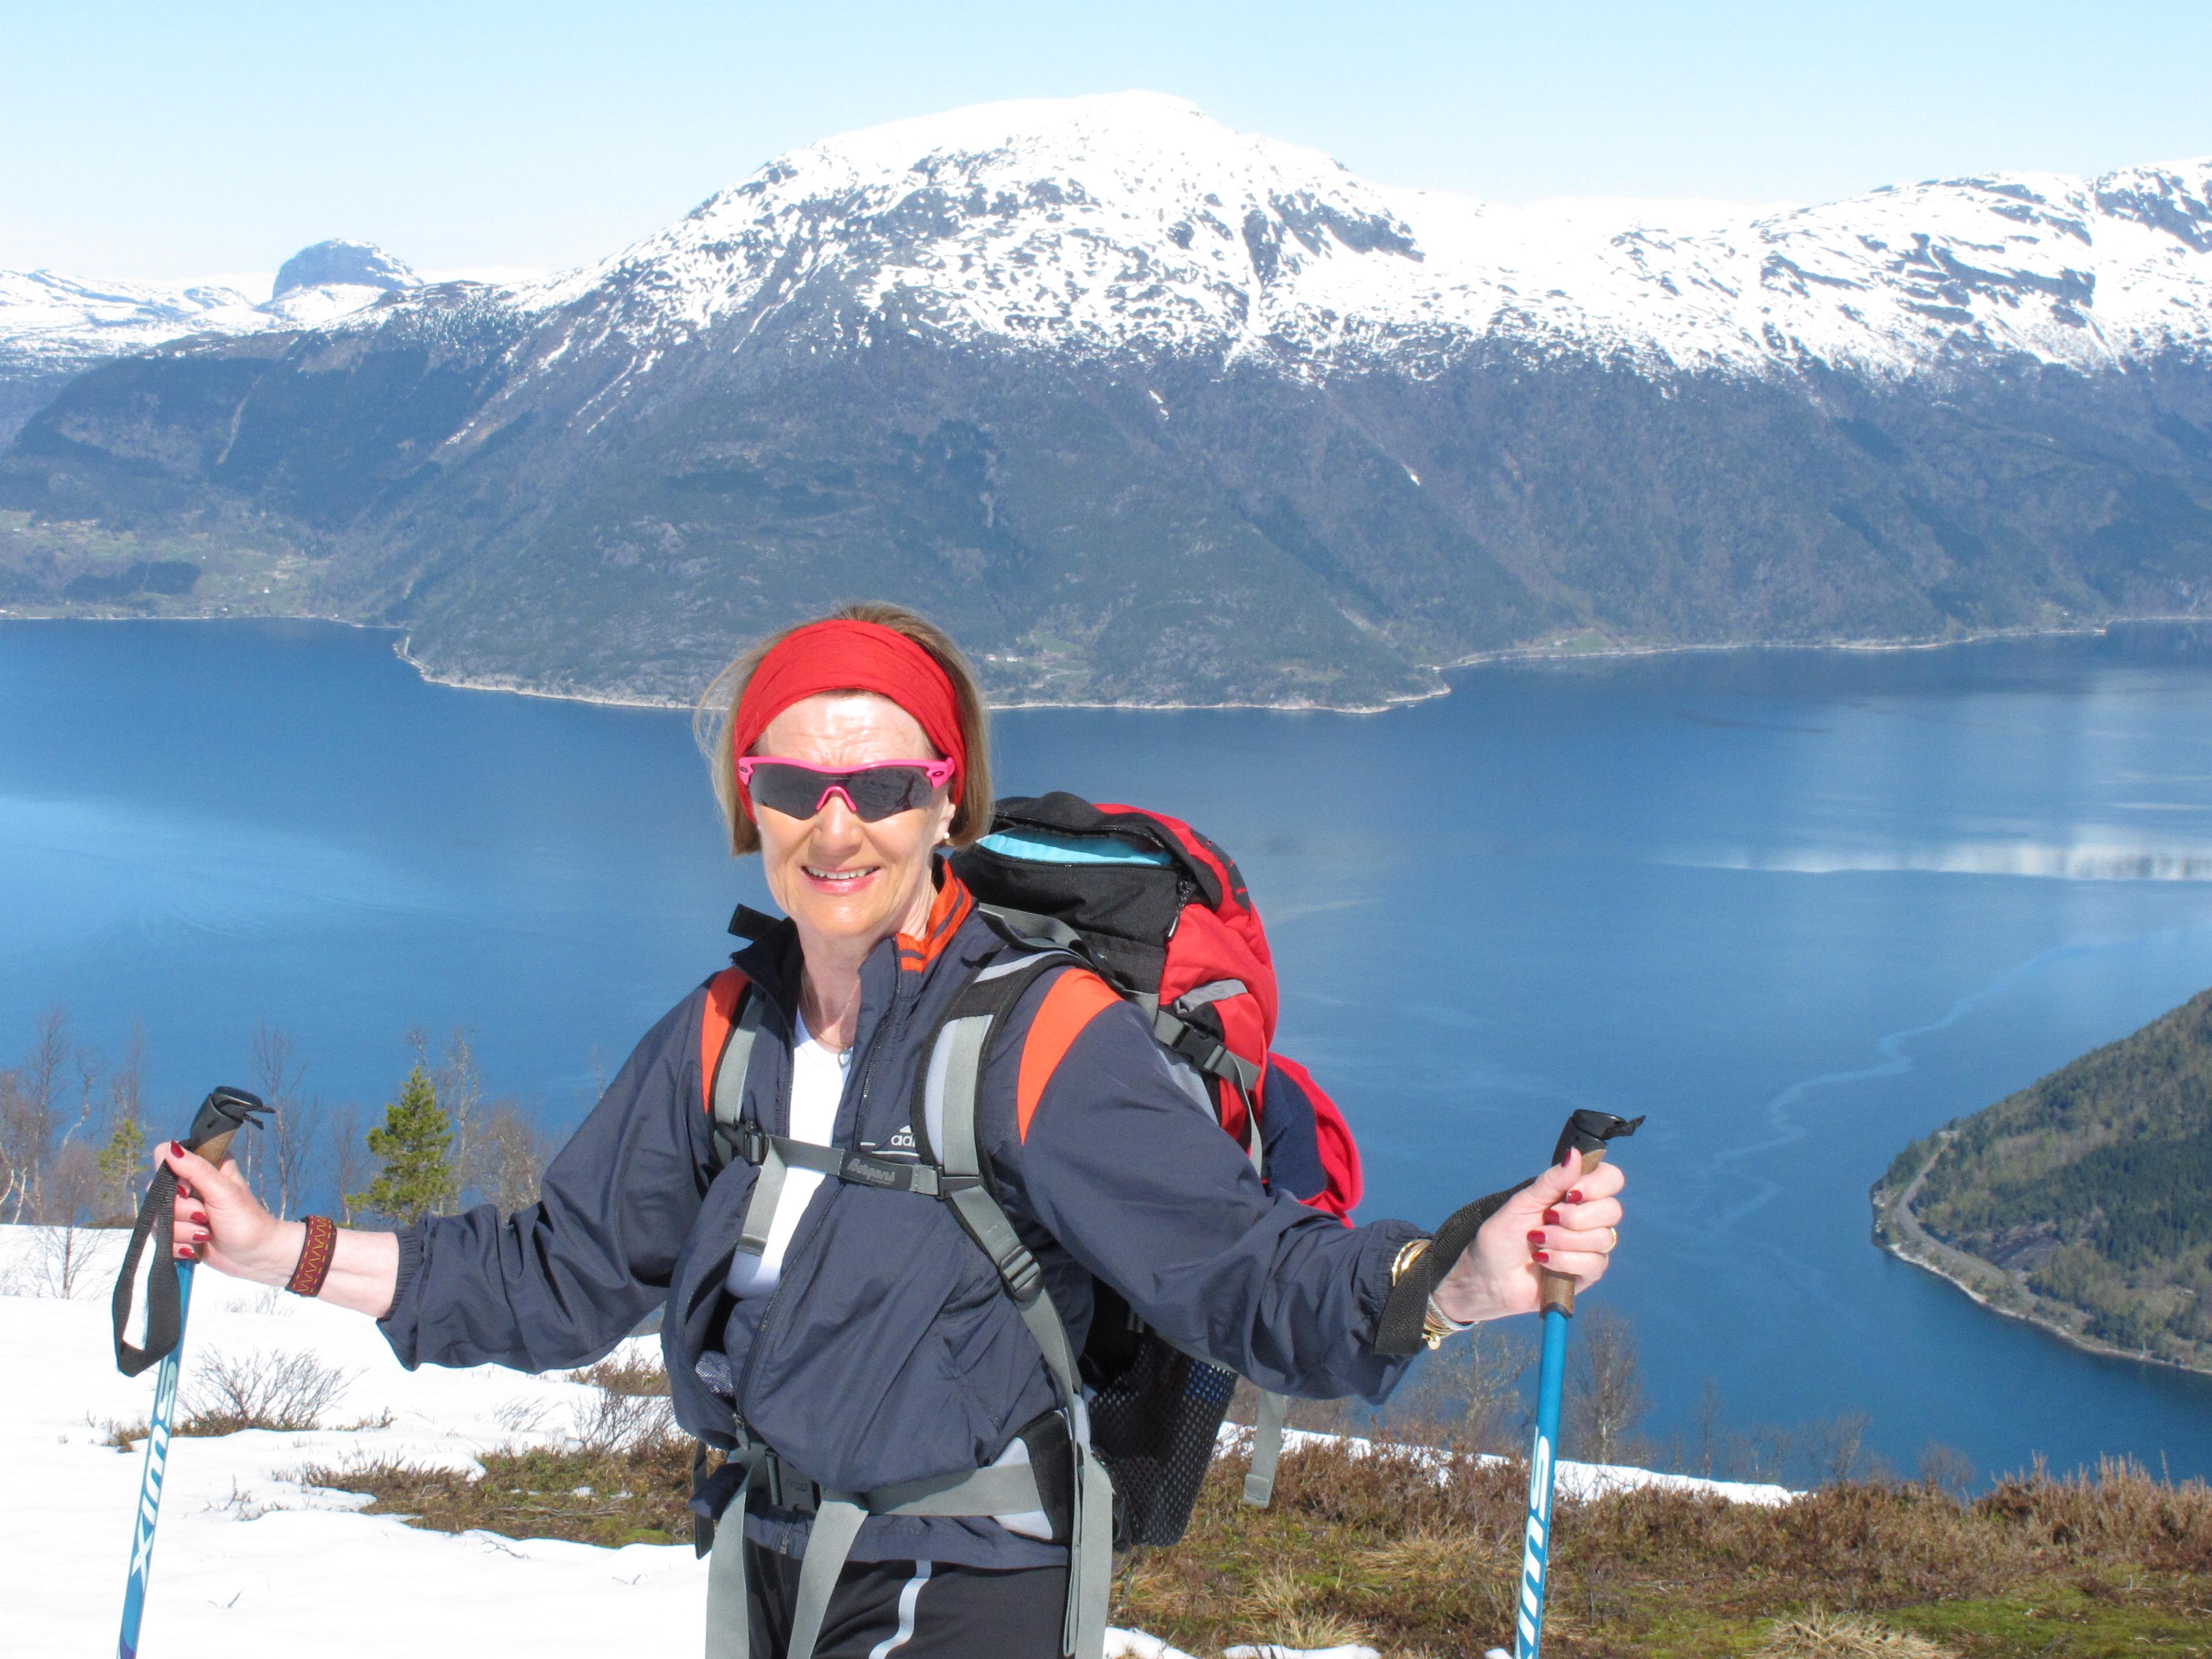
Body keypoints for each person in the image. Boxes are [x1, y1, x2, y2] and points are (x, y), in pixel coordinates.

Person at [161, 601, 1627, 1659]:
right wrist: (276, 1248)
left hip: (974, 1574)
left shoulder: (1037, 1036)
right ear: (752, 804)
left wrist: (1463, 1276)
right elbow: (557, 1275)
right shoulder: (725, 1031)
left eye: (885, 785)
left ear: (947, 806)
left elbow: (1240, 1276)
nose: (837, 822)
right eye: (794, 784)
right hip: (768, 1560)